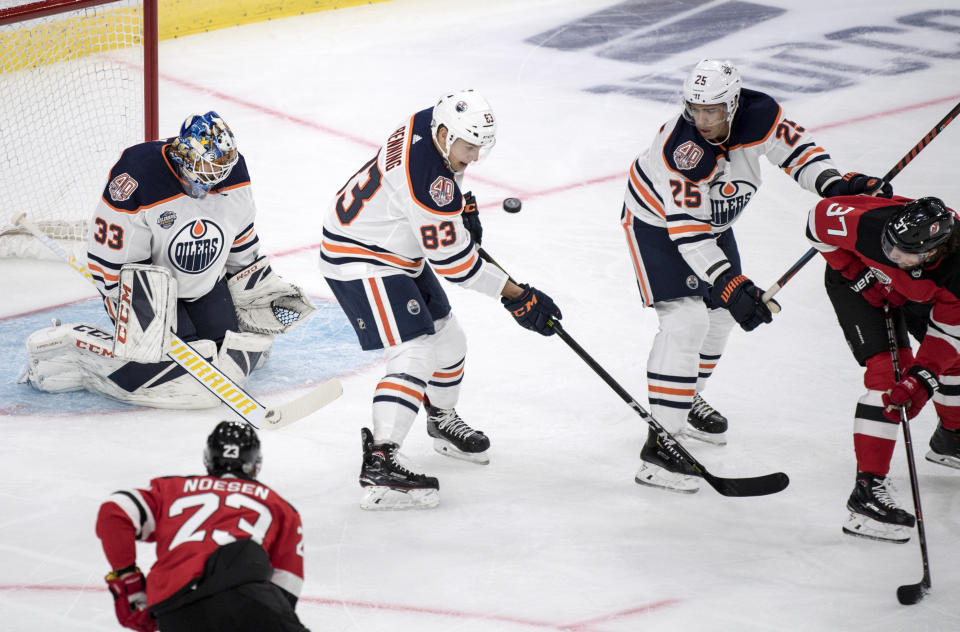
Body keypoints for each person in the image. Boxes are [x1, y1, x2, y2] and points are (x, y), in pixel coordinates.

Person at [620, 58, 893, 493]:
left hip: (712, 227)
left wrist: (835, 185)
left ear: (732, 103)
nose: (702, 120)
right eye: (695, 109)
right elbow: (687, 236)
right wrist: (728, 282)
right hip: (658, 226)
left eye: (712, 111)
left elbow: (798, 152)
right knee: (686, 322)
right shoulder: (683, 151)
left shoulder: (760, 114)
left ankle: (683, 398)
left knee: (723, 317)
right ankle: (661, 446)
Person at [319, 89, 563, 510]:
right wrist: (517, 296)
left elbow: (441, 194)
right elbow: (456, 266)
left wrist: (460, 209)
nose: (474, 157)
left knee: (451, 344)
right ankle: (383, 459)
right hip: (361, 256)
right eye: (469, 147)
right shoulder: (429, 184)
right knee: (415, 351)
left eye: (479, 147)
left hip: (395, 245)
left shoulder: (430, 121)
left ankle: (440, 420)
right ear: (448, 134)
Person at [20, 111, 313, 408]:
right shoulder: (137, 176)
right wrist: (133, 308)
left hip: (204, 285)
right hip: (150, 293)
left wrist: (252, 279)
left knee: (227, 354)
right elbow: (111, 262)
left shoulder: (232, 172)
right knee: (179, 370)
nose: (212, 181)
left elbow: (240, 234)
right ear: (182, 156)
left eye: (219, 170)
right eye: (205, 169)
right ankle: (79, 357)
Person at [807, 194, 960, 543]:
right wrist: (856, 271)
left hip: (924, 296)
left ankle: (952, 439)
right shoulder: (871, 224)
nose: (891, 256)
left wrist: (922, 380)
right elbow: (816, 223)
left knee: (952, 363)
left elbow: (950, 334)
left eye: (902, 253)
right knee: (889, 375)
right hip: (860, 288)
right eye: (889, 246)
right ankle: (867, 492)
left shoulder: (957, 274)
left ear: (935, 251)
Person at [95, 420, 309, 631]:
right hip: (243, 596)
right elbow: (286, 586)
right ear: (255, 464)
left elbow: (114, 510)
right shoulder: (280, 507)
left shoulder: (171, 489)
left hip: (175, 609)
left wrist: (127, 575)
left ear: (208, 459)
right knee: (246, 554)